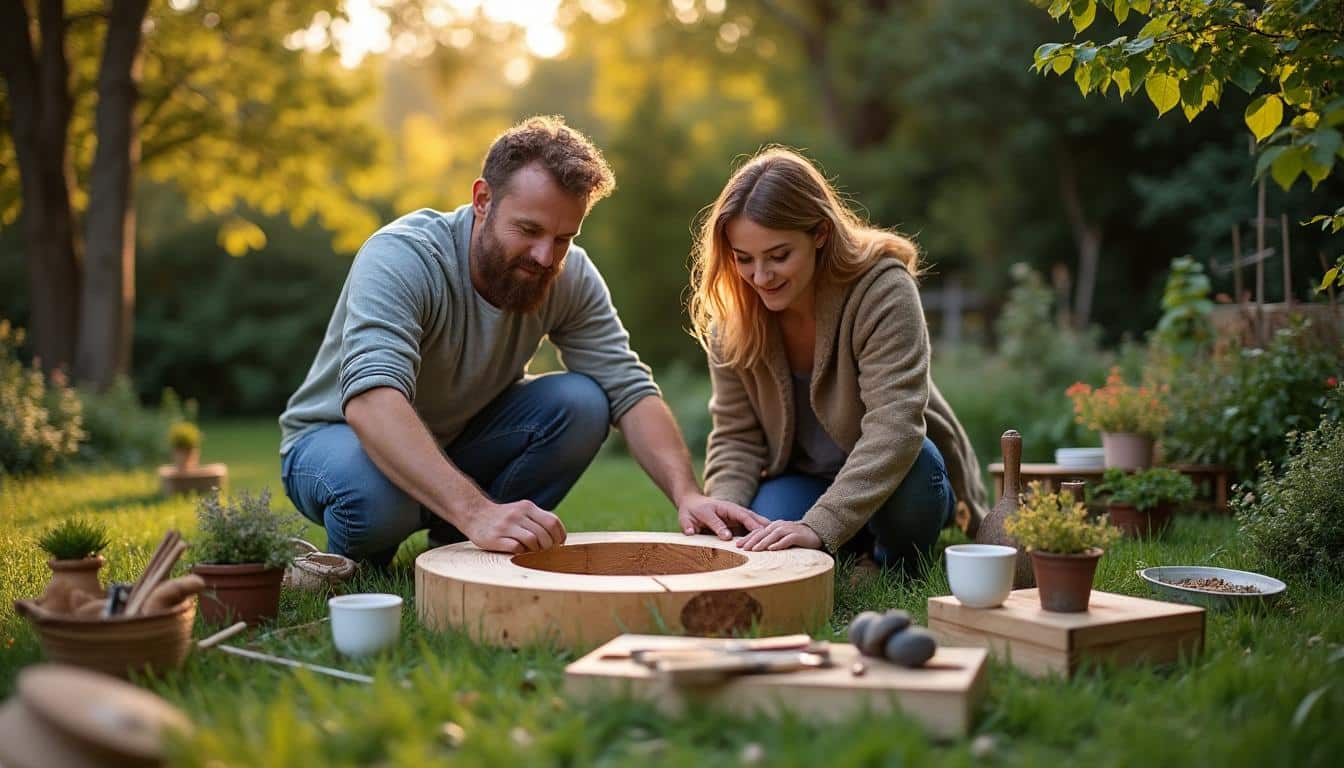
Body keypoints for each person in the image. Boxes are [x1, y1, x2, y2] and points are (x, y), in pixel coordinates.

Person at [279, 116, 765, 566]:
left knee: (582, 402)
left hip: (456, 439)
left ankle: (461, 547)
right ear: (483, 199)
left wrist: (687, 494)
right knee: (376, 498)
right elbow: (369, 402)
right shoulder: (404, 256)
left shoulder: (568, 273)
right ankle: (358, 562)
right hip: (334, 438)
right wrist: (476, 508)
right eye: (528, 230)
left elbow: (629, 388)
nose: (544, 255)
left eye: (563, 238)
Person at [687, 147, 988, 574]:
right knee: (763, 522)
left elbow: (895, 427)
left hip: (898, 479)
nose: (760, 277)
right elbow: (737, 436)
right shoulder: (735, 316)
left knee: (916, 468)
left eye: (778, 256)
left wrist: (821, 524)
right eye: (744, 259)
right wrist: (724, 512)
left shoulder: (882, 290)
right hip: (805, 482)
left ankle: (887, 564)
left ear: (821, 234)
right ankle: (840, 550)